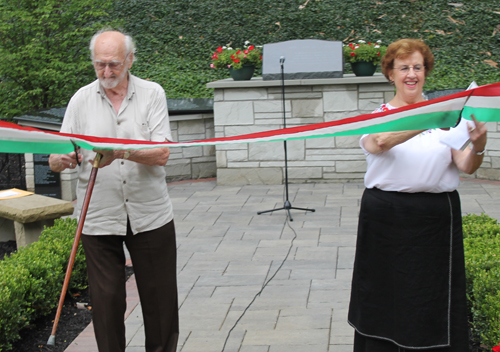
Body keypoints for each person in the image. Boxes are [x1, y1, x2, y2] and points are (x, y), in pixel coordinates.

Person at [348, 38, 487, 352]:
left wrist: (478, 144)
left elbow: (465, 164)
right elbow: (380, 142)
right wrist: (432, 116)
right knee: (385, 296)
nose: (411, 74)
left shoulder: (448, 117)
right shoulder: (379, 116)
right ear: (391, 74)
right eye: (404, 67)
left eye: (417, 67)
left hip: (436, 217)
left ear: (425, 72)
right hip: (386, 218)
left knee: (432, 297)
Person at [49, 29, 179, 352]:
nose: (106, 72)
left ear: (130, 60)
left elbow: (162, 153)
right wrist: (62, 158)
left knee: (160, 303)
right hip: (98, 215)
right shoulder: (80, 100)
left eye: (114, 64)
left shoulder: (152, 94)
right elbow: (55, 157)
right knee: (106, 306)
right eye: (100, 64)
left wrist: (121, 152)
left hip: (150, 215)